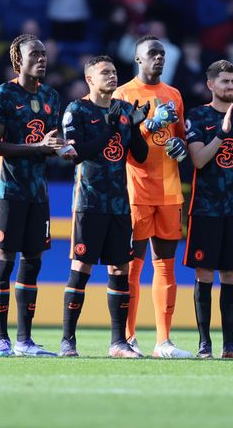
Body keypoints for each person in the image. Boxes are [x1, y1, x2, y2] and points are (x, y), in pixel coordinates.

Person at [58, 55, 149, 358]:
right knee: (81, 267)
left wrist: (135, 128)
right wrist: (109, 130)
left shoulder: (123, 110)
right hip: (89, 202)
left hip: (120, 204)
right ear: (89, 79)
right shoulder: (77, 110)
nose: (112, 77)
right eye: (105, 73)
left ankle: (118, 343)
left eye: (114, 72)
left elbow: (141, 156)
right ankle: (68, 341)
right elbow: (75, 153)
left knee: (120, 268)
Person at [0, 34, 66, 357]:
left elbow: (50, 142)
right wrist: (39, 147)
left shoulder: (50, 96)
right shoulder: (3, 95)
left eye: (44, 54)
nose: (41, 59)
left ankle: (24, 339)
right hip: (8, 190)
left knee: (33, 262)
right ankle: (2, 338)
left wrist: (61, 148)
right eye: (34, 54)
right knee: (5, 261)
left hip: (38, 192)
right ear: (18, 60)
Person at [112, 35, 191, 358]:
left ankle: (164, 341)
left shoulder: (173, 94)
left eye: (161, 54)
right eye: (152, 54)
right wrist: (147, 126)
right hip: (136, 190)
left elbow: (182, 138)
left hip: (170, 190)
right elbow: (118, 144)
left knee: (166, 266)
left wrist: (181, 148)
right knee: (133, 266)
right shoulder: (123, 94)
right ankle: (128, 338)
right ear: (137, 59)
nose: (158, 58)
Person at [184, 59, 233, 359]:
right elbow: (199, 160)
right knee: (204, 274)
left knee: (231, 276)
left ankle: (229, 344)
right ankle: (205, 344)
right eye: (225, 82)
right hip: (205, 209)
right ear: (211, 85)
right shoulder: (198, 116)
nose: (231, 86)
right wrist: (222, 131)